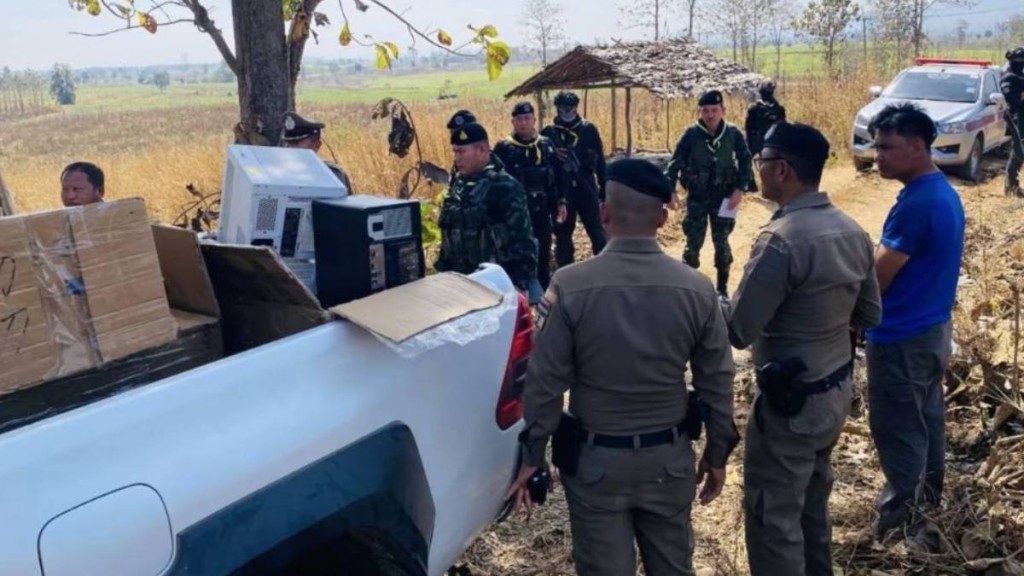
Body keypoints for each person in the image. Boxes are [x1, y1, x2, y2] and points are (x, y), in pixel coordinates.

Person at [508, 158, 739, 576]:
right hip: (668, 461)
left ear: (603, 213)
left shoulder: (570, 285)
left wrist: (532, 455)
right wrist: (718, 451)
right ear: (664, 217)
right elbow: (718, 381)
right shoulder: (697, 289)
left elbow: (544, 381)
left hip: (597, 464)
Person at [726, 122, 882, 575]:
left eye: (761, 163)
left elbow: (739, 329)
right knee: (812, 506)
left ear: (782, 170)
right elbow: (871, 314)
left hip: (789, 403)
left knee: (773, 516)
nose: (758, 171)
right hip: (833, 392)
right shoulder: (851, 230)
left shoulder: (781, 240)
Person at [865, 103, 965, 548]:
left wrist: (852, 316)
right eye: (875, 146)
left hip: (902, 335)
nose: (878, 156)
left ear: (919, 147)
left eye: (887, 147)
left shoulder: (919, 202)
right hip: (931, 328)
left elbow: (880, 274)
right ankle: (928, 508)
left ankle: (904, 528)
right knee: (926, 423)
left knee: (899, 429)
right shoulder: (940, 192)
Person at [666, 89, 753, 299]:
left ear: (723, 110)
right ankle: (689, 290)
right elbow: (674, 164)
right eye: (705, 111)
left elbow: (745, 161)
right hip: (697, 197)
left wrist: (740, 190)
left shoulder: (732, 134)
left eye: (714, 110)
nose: (710, 115)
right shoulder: (691, 134)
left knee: (722, 241)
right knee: (693, 243)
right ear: (700, 112)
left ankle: (722, 289)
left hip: (725, 197)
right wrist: (670, 192)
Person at [435, 122, 537, 294]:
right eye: (454, 152)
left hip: (495, 285)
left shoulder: (505, 187)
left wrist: (520, 285)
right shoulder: (459, 186)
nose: (456, 158)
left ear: (482, 149)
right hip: (458, 283)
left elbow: (523, 239)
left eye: (461, 152)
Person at [494, 101, 568, 302]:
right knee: (516, 255)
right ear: (513, 122)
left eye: (527, 118)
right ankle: (518, 299)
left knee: (543, 254)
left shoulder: (546, 145)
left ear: (534, 120)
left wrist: (561, 203)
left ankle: (545, 298)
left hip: (542, 211)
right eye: (519, 119)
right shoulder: (504, 148)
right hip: (516, 216)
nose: (523, 123)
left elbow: (558, 176)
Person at [541, 90, 607, 267]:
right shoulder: (549, 133)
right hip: (563, 193)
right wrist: (553, 154)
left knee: (598, 233)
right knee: (563, 236)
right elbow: (542, 164)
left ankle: (606, 270)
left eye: (571, 107)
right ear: (557, 108)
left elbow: (600, 161)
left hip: (586, 188)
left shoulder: (588, 130)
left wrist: (604, 192)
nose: (567, 111)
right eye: (563, 107)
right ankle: (566, 274)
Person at [280, 111, 354, 193]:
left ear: (316, 145)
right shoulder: (277, 174)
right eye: (289, 143)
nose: (291, 148)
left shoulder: (333, 175)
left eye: (297, 143)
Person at [744, 78, 787, 193]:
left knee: (745, 159)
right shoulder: (779, 109)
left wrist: (748, 143)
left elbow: (748, 127)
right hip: (772, 142)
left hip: (756, 141)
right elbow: (783, 128)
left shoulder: (754, 108)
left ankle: (751, 185)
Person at [1001, 46, 1024, 197]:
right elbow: (1013, 100)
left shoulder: (1018, 75)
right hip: (1016, 118)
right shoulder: (1009, 77)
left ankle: (1014, 185)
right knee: (1018, 152)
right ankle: (1010, 188)